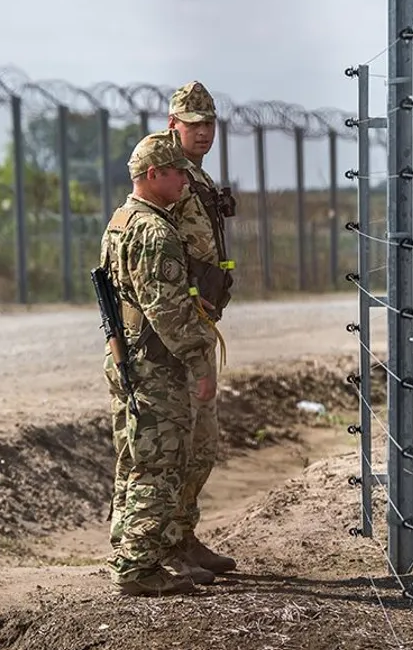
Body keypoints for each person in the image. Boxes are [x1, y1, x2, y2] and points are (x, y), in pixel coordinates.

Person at [100, 129, 220, 597]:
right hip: (155, 363)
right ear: (154, 175)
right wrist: (199, 363)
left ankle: (128, 548)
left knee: (134, 458)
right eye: (176, 175)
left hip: (127, 356)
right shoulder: (154, 231)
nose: (185, 184)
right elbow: (167, 310)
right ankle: (137, 568)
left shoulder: (121, 220)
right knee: (161, 463)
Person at [164, 80, 239, 576]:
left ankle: (183, 535)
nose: (204, 132)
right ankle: (164, 543)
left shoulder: (199, 177)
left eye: (210, 123)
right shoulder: (167, 177)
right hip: (176, 329)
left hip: (200, 320)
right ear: (174, 126)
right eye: (194, 124)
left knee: (203, 441)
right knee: (177, 441)